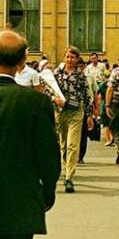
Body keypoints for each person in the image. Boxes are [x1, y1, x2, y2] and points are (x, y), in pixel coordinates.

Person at [0, 30, 61, 239]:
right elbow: (48, 154)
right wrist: (48, 191)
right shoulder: (35, 102)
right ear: (22, 61)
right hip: (20, 203)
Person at [51, 46, 93, 193]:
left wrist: (89, 116)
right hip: (60, 111)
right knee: (63, 145)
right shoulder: (56, 73)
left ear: (77, 59)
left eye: (72, 57)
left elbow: (87, 95)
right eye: (68, 56)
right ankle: (66, 166)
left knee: (72, 145)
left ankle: (69, 177)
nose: (70, 60)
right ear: (64, 57)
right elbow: (48, 89)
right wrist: (54, 98)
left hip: (76, 111)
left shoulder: (80, 75)